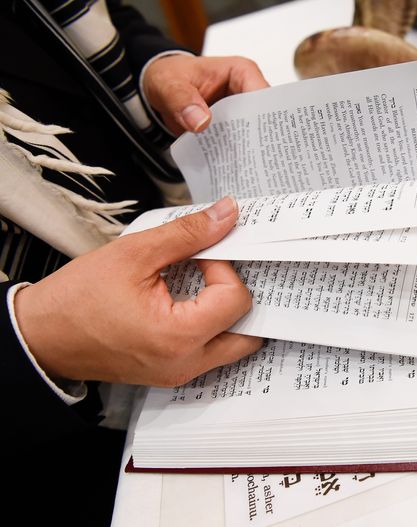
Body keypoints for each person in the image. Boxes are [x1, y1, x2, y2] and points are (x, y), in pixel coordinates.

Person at [1, 1, 268, 524]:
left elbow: (90, 18)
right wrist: (36, 338)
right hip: (55, 455)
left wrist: (151, 72)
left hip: (165, 185)